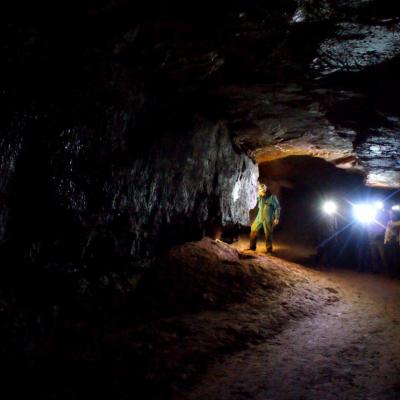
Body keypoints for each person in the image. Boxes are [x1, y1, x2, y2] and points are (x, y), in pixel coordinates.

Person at [248, 183, 280, 253]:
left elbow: (277, 207)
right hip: (259, 217)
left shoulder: (272, 197)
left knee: (268, 234)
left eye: (260, 191)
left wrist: (276, 218)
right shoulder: (260, 197)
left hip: (268, 218)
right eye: (259, 191)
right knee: (253, 229)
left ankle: (269, 250)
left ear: (264, 191)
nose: (259, 193)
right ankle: (252, 247)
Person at [384, 210, 400, 277]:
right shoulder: (389, 222)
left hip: (397, 242)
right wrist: (385, 240)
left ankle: (398, 273)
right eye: (390, 214)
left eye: (392, 214)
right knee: (390, 258)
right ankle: (392, 273)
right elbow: (387, 232)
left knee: (397, 258)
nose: (391, 215)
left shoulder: (399, 222)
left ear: (396, 215)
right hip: (390, 242)